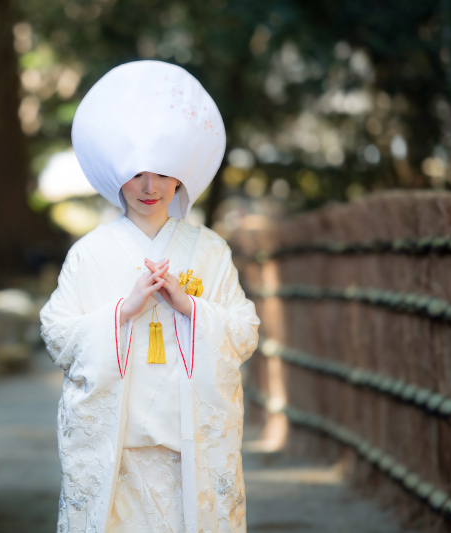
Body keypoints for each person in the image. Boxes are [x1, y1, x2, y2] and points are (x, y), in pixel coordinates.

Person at [38, 60, 261, 533]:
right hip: (118, 453)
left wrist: (190, 308)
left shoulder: (209, 251)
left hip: (191, 453)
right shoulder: (91, 253)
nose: (149, 186)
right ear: (116, 174)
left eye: (162, 172)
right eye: (136, 173)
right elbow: (57, 333)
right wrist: (123, 312)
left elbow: (244, 331)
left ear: (180, 176)